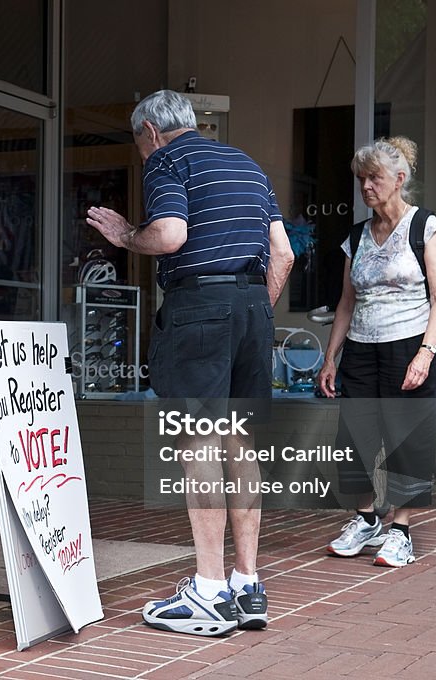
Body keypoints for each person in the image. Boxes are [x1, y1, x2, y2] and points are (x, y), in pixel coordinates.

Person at [86, 89, 294, 636]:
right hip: (252, 308)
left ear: (150, 132)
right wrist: (248, 314)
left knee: (198, 437)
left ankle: (207, 590)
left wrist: (128, 235)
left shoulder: (166, 159)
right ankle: (247, 585)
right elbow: (285, 253)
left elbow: (171, 235)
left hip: (200, 306)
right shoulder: (246, 164)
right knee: (239, 440)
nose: (140, 153)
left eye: (137, 143)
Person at [316, 136, 436, 568]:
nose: (366, 186)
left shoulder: (424, 227)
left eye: (374, 178)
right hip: (361, 349)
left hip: (410, 344)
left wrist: (425, 354)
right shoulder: (355, 238)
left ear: (399, 179)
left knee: (406, 441)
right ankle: (367, 518)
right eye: (361, 179)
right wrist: (331, 356)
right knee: (350, 440)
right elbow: (346, 303)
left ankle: (401, 530)